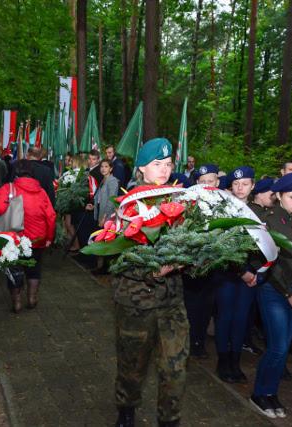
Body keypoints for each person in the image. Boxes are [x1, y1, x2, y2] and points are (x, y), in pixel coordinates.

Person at [113, 138, 188, 427]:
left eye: (168, 164)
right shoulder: (127, 205)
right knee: (132, 365)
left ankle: (169, 420)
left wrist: (192, 259)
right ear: (142, 168)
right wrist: (153, 272)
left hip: (172, 302)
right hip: (136, 301)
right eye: (157, 164)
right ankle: (126, 410)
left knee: (175, 368)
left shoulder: (180, 202)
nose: (165, 170)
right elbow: (119, 257)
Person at [250, 172, 292, 419]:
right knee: (277, 346)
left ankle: (271, 392)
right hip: (274, 291)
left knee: (284, 346)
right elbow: (266, 262)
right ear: (278, 196)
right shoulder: (267, 221)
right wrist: (289, 293)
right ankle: (259, 393)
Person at [0, 160, 56, 313]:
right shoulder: (41, 192)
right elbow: (51, 216)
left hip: (14, 238)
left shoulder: (8, 188)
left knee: (14, 269)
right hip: (37, 239)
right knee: (34, 268)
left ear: (16, 172)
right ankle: (32, 298)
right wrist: (49, 238)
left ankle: (17, 302)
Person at [213, 166, 259, 384]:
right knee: (225, 317)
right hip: (227, 272)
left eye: (245, 184)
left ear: (253, 186)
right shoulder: (223, 210)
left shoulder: (259, 212)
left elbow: (266, 247)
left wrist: (255, 272)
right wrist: (241, 271)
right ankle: (222, 361)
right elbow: (218, 245)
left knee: (241, 319)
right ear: (231, 186)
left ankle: (235, 361)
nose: (240, 188)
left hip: (251, 275)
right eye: (236, 184)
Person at [184, 164, 220, 359]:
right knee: (191, 305)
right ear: (197, 182)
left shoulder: (226, 203)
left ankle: (199, 341)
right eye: (203, 181)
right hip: (190, 265)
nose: (207, 184)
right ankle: (189, 341)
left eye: (210, 181)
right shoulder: (188, 202)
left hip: (213, 265)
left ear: (217, 182)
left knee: (206, 307)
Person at [94, 159, 120, 227]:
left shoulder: (112, 180)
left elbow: (111, 200)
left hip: (107, 215)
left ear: (111, 169)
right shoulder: (103, 179)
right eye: (102, 166)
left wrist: (104, 217)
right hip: (100, 210)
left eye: (106, 166)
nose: (103, 169)